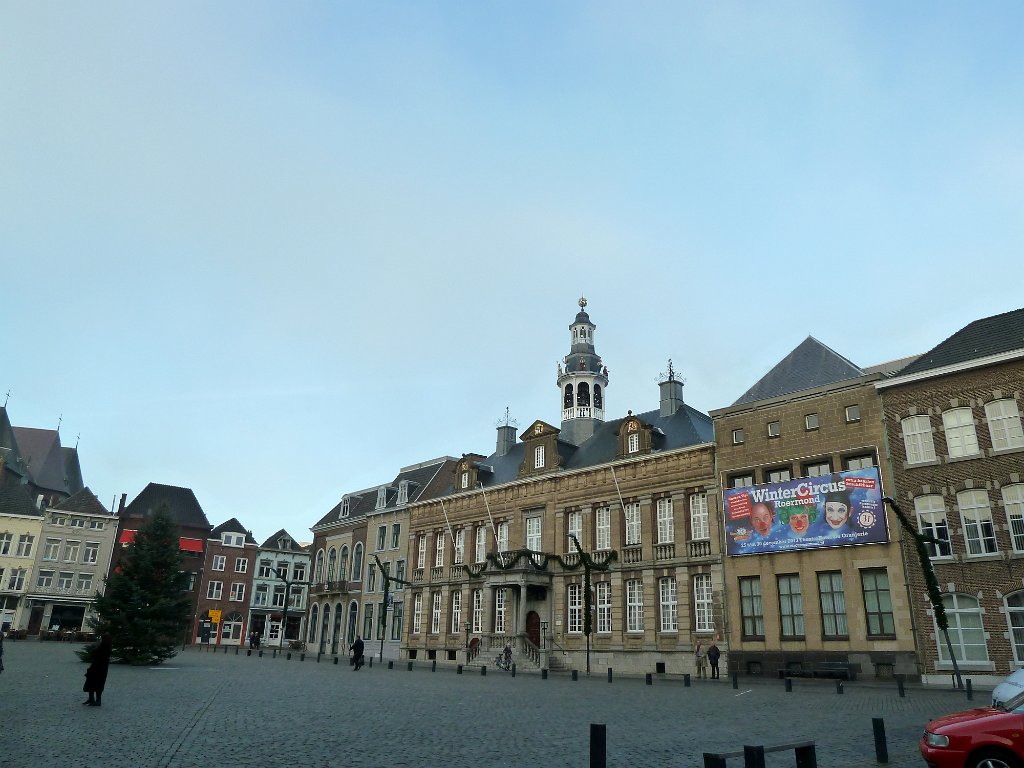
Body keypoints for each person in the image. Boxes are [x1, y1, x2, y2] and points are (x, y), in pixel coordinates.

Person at [83, 633, 112, 707]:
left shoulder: (103, 647)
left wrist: (96, 647)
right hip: (102, 668)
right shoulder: (108, 646)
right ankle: (94, 699)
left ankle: (94, 699)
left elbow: (95, 656)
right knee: (97, 683)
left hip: (97, 668)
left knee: (93, 683)